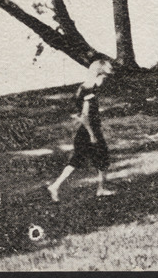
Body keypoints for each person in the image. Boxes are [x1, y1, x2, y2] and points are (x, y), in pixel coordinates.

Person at [47, 58, 116, 201]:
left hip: (86, 131)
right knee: (99, 159)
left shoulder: (83, 88)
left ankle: (57, 186)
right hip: (89, 132)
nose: (106, 81)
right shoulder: (89, 92)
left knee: (83, 160)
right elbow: (84, 116)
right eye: (105, 77)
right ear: (98, 75)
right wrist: (92, 135)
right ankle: (99, 189)